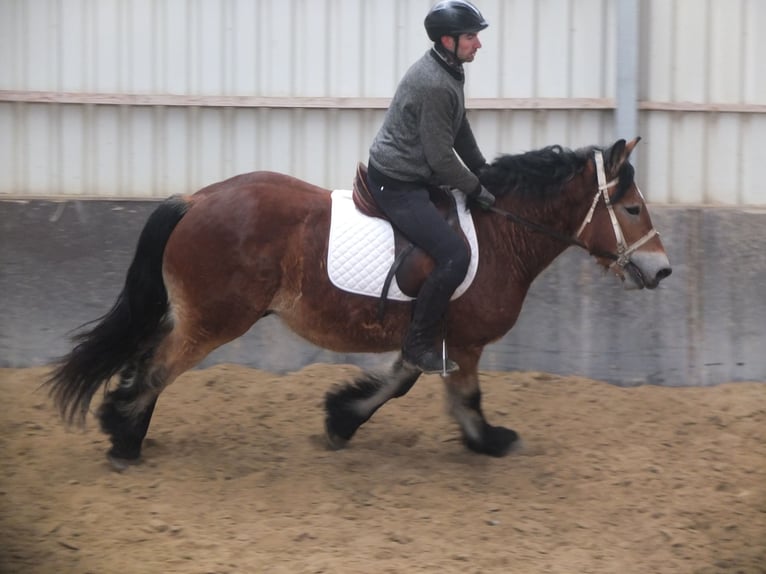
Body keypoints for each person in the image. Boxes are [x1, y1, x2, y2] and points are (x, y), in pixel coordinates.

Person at [367, 0, 496, 374]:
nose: (478, 44)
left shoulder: (450, 69)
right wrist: (476, 188)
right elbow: (440, 158)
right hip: (397, 183)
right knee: (456, 255)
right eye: (472, 36)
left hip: (416, 174)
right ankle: (416, 344)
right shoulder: (436, 82)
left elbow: (458, 127)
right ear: (448, 39)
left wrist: (482, 169)